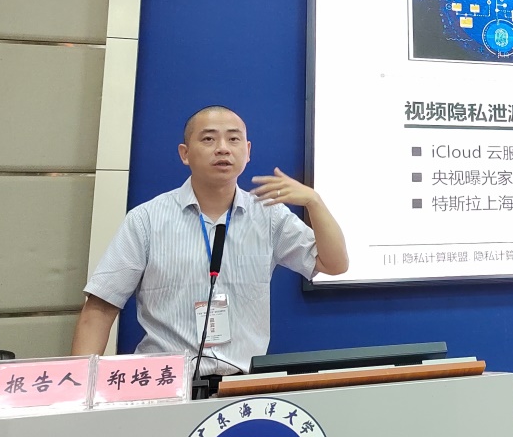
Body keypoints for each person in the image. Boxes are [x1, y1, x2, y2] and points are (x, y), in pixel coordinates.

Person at [70, 106, 348, 380]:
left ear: (247, 151)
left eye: (233, 139)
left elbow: (334, 264)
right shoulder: (146, 220)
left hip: (240, 384)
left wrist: (314, 201)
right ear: (185, 153)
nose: (223, 148)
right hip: (166, 384)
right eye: (209, 139)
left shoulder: (269, 216)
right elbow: (100, 309)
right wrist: (81, 390)